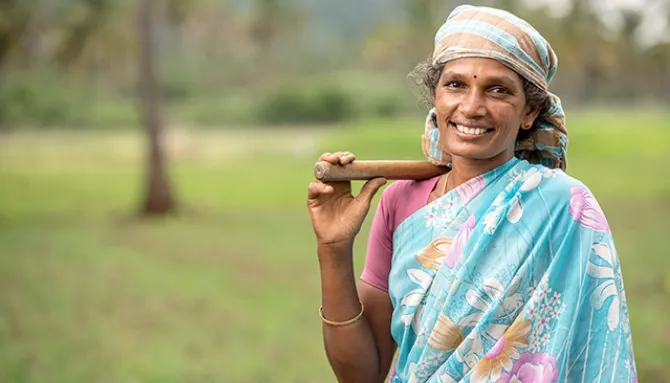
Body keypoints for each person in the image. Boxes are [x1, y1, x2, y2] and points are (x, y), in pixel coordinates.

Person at [306, 5, 637, 383]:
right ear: (436, 96)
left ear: (529, 112)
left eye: (497, 90)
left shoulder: (565, 206)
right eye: (456, 85)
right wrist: (332, 249)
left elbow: (593, 353)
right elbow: (362, 375)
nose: (472, 107)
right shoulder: (400, 201)